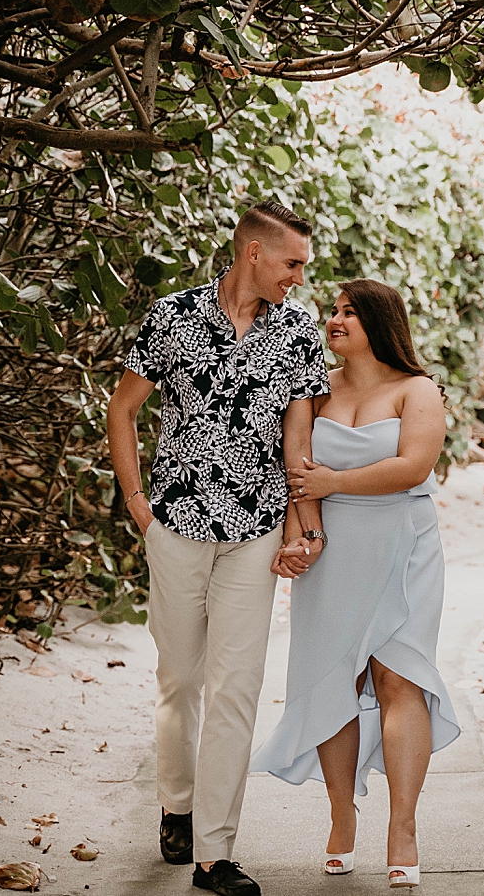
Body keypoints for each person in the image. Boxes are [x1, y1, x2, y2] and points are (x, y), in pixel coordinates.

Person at [106, 201, 331, 896]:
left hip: (254, 529)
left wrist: (302, 525)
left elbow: (299, 444)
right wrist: (140, 505)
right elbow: (123, 410)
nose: (299, 275)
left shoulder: (298, 330)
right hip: (174, 523)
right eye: (292, 262)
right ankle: (177, 805)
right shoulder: (171, 317)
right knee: (179, 678)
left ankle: (215, 853)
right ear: (254, 253)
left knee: (236, 687)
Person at [250, 279, 460, 889]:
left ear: (380, 323)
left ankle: (403, 826)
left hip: (404, 544)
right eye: (334, 312)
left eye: (349, 313)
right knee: (331, 678)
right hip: (332, 549)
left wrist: (333, 484)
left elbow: (413, 467)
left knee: (401, 677)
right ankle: (342, 815)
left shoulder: (416, 390)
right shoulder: (313, 388)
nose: (335, 320)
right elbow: (293, 472)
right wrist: (300, 534)